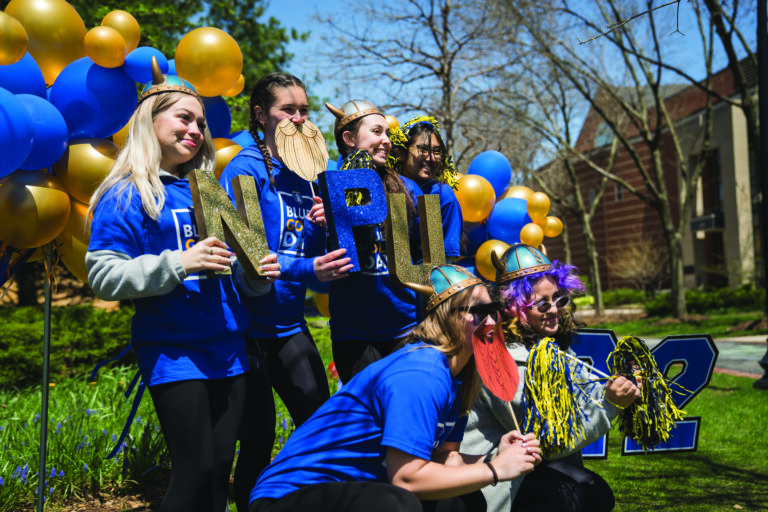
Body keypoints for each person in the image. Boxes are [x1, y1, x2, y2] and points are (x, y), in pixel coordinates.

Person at [86, 59, 280, 512]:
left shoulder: (212, 191)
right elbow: (103, 276)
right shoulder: (127, 193)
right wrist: (179, 262)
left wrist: (256, 273)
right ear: (149, 122)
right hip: (175, 354)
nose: (196, 130)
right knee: (192, 471)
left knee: (217, 472)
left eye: (201, 122)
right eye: (184, 118)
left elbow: (244, 283)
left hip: (231, 351)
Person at [248, 264, 542, 512]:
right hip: (288, 498)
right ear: (447, 318)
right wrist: (494, 471)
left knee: (464, 501)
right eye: (478, 312)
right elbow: (406, 478)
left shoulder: (458, 376)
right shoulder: (422, 373)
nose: (491, 320)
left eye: (494, 309)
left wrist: (493, 457)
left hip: (355, 491)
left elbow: (444, 458)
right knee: (397, 503)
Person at [219, 73, 350, 512]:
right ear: (261, 115)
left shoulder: (312, 176)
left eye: (304, 110)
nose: (298, 118)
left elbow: (315, 274)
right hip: (246, 329)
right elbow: (250, 259)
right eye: (286, 110)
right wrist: (308, 265)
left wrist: (324, 231)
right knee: (256, 439)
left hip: (289, 325)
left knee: (321, 424)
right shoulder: (243, 170)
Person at [460, 243, 641, 512]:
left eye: (559, 299)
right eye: (542, 304)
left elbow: (583, 395)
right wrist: (611, 403)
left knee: (598, 495)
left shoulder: (550, 345)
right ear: (513, 307)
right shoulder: (498, 356)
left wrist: (618, 385)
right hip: (494, 482)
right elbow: (546, 440)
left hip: (532, 467)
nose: (554, 310)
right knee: (567, 497)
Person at [323, 99, 424, 383]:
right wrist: (319, 226)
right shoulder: (327, 186)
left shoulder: (410, 189)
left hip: (405, 329)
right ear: (349, 139)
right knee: (369, 422)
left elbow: (425, 259)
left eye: (388, 134)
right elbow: (317, 263)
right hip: (353, 335)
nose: (386, 141)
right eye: (377, 132)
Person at [391, 116, 462, 262]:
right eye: (423, 149)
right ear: (400, 154)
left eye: (436, 152)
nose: (431, 158)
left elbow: (444, 261)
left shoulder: (443, 196)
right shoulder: (385, 187)